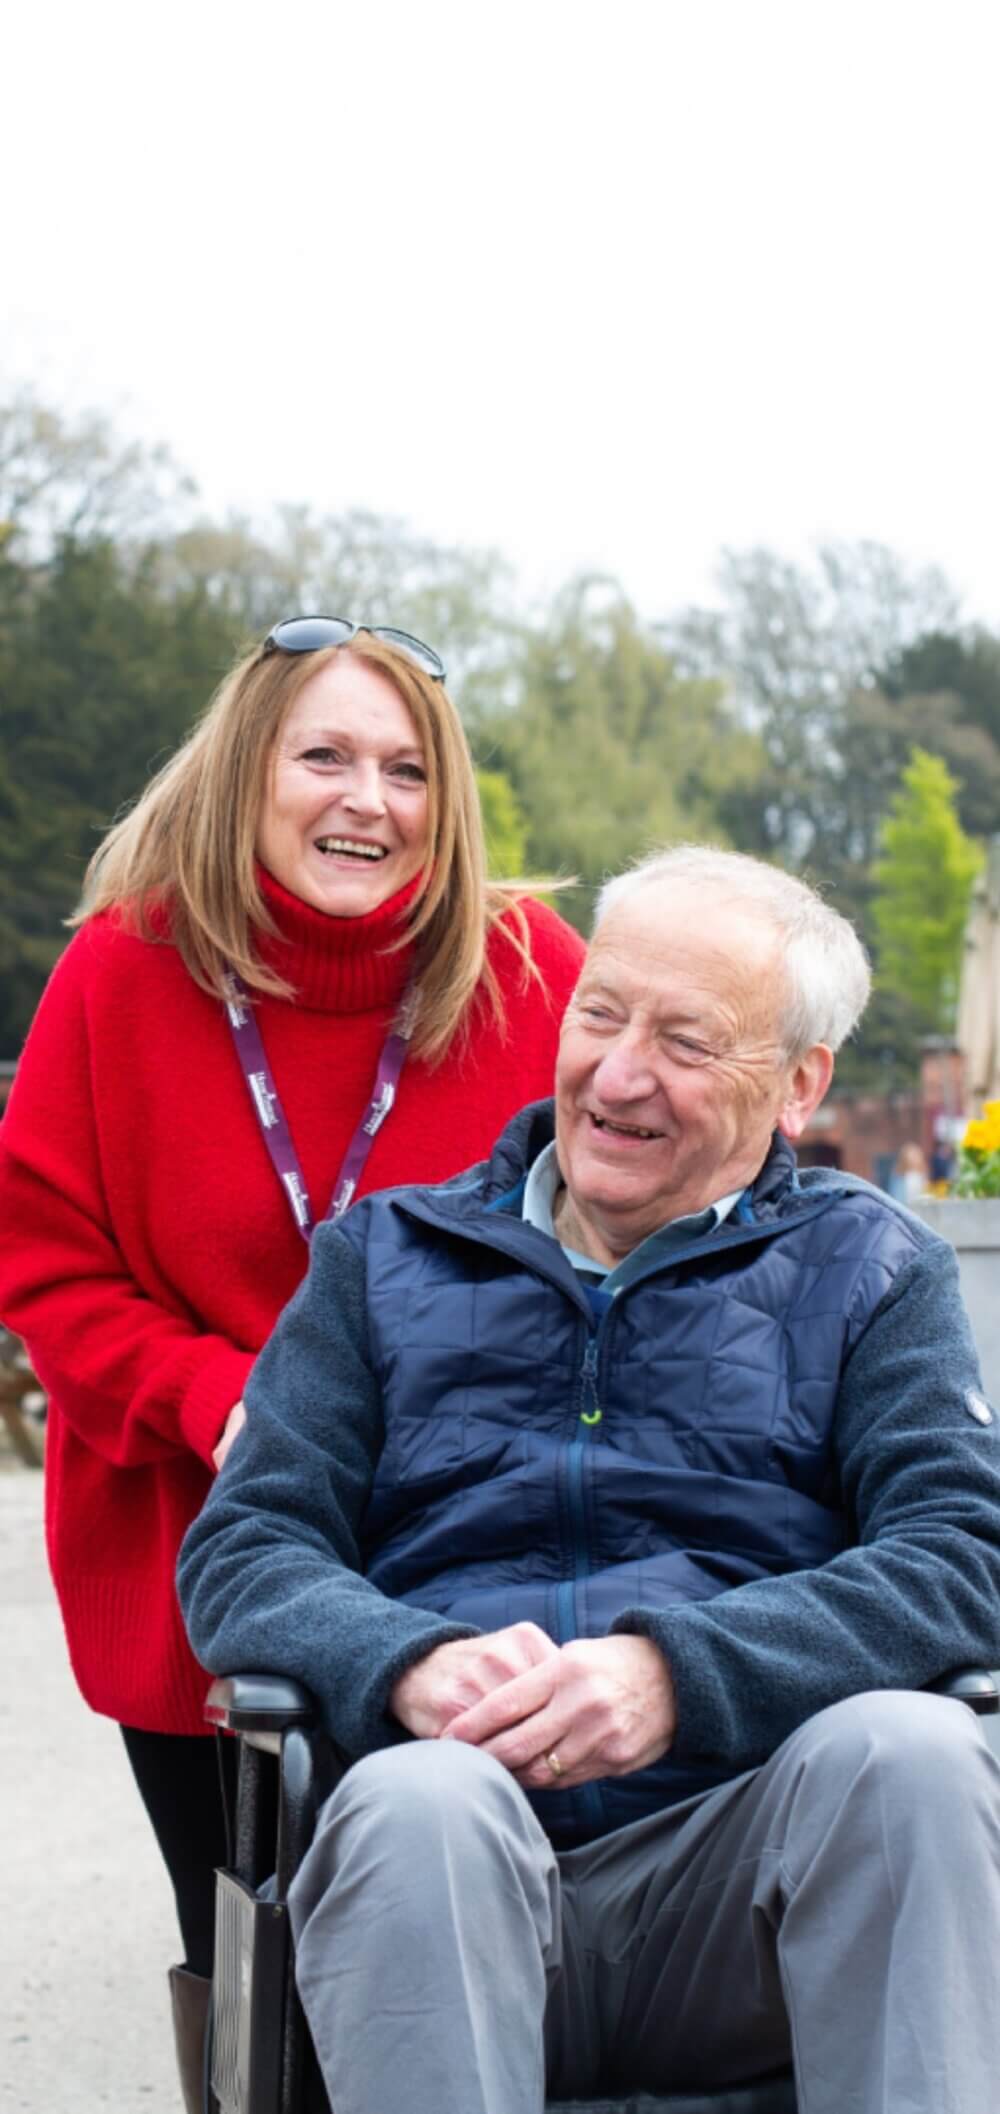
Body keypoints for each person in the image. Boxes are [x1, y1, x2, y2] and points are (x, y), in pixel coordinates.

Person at [179, 844, 1000, 2114]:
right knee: (423, 1804)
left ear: (796, 1085)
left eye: (685, 1041)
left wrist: (681, 1674)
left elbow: (965, 1555)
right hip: (448, 1870)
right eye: (601, 1012)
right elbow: (244, 1547)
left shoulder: (873, 1271)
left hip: (746, 1882)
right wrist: (402, 1658)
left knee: (914, 1753)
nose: (618, 1075)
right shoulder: (381, 1259)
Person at [0, 614, 585, 2110]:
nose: (366, 800)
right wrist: (225, 1396)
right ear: (245, 770)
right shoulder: (121, 972)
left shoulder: (531, 970)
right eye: (323, 754)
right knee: (254, 1957)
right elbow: (46, 1263)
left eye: (405, 769)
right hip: (194, 1551)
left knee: (451, 1951)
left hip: (468, 1556)